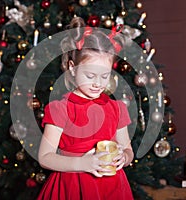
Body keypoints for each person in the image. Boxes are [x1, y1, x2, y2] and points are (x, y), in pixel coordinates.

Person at [37, 17, 134, 200]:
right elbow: (45, 157)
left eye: (104, 76)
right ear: (72, 68)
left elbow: (128, 149)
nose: (98, 83)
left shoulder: (117, 108)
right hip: (72, 187)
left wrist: (125, 158)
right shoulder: (60, 109)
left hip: (112, 188)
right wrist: (83, 163)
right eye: (90, 75)